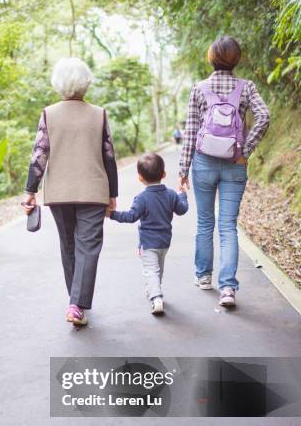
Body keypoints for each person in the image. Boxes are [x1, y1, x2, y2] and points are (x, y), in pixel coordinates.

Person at [22, 57, 118, 326]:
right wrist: (113, 193)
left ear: (58, 84)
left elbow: (40, 153)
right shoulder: (99, 113)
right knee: (88, 246)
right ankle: (76, 304)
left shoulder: (48, 113)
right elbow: (109, 155)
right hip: (93, 190)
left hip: (59, 193)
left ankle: (75, 303)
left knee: (68, 245)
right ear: (85, 82)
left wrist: (30, 190)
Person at [179, 35, 270, 307]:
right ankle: (228, 288)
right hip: (235, 164)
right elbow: (264, 116)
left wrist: (183, 169)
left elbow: (191, 132)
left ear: (211, 57)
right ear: (236, 59)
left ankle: (204, 276)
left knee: (205, 222)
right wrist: (245, 149)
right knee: (228, 226)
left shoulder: (199, 88)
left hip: (203, 163)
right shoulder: (247, 87)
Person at [108, 152, 188, 315]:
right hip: (165, 242)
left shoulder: (142, 198)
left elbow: (130, 217)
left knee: (151, 270)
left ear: (140, 178)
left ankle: (156, 297)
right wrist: (183, 194)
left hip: (148, 243)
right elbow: (182, 209)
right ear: (164, 174)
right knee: (158, 268)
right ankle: (154, 291)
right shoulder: (172, 195)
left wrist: (111, 214)